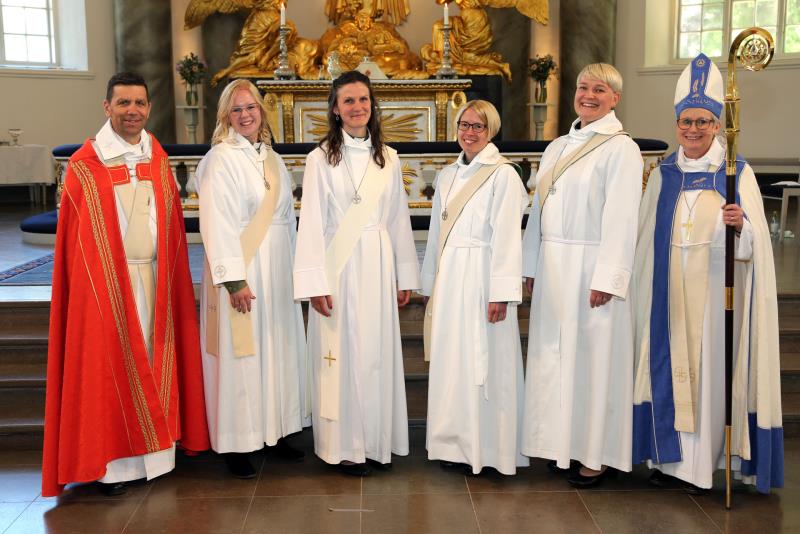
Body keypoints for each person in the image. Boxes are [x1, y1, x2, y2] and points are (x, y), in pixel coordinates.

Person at [42, 72, 209, 497]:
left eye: (139, 103)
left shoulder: (157, 158)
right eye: (123, 103)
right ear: (107, 107)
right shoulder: (86, 165)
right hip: (107, 288)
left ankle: (156, 456)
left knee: (155, 359)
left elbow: (170, 226)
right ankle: (113, 466)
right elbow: (75, 247)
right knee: (109, 368)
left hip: (156, 278)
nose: (132, 111)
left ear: (149, 108)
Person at [631, 53, 783, 494]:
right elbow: (646, 242)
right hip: (669, 297)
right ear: (676, 124)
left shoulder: (737, 172)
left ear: (719, 124)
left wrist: (743, 227)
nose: (693, 129)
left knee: (711, 379)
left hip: (717, 296)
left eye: (703, 121)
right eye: (686, 122)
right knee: (667, 369)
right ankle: (667, 459)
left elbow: (756, 249)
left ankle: (702, 466)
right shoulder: (665, 175)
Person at [521, 63, 643, 487]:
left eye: (599, 89)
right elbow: (538, 211)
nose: (588, 95)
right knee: (555, 359)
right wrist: (530, 264)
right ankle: (561, 444)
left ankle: (597, 453)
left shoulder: (620, 148)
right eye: (583, 87)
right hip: (554, 267)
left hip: (592, 268)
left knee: (593, 362)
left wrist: (608, 277)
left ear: (615, 99)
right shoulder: (557, 146)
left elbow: (623, 217)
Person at [293, 70, 420, 477]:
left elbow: (399, 219)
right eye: (348, 101)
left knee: (376, 354)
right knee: (342, 354)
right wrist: (315, 282)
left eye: (363, 100)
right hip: (339, 265)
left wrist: (404, 275)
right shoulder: (319, 158)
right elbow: (310, 222)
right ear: (335, 108)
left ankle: (377, 441)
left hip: (379, 262)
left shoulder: (389, 157)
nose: (357, 107)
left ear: (372, 105)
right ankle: (345, 446)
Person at [197, 79, 309, 479]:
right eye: (237, 109)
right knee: (242, 354)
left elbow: (288, 222)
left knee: (277, 347)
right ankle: (238, 442)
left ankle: (276, 430)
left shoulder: (273, 159)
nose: (245, 115)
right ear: (226, 116)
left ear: (262, 111)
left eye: (251, 108)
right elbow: (216, 222)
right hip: (243, 269)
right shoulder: (219, 158)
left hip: (277, 267)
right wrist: (233, 280)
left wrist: (298, 271)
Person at [420, 100, 529, 475]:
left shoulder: (503, 175)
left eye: (478, 127)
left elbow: (508, 238)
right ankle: (453, 444)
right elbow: (437, 232)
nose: (469, 132)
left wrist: (500, 292)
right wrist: (429, 283)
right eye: (464, 125)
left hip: (483, 276)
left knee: (486, 362)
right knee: (453, 361)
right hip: (451, 277)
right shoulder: (448, 174)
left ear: (491, 131)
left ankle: (490, 448)